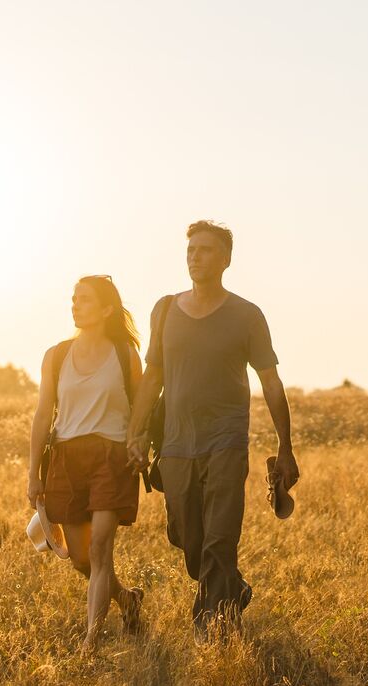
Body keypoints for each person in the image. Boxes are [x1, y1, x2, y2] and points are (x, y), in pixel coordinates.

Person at [129, 220, 299, 639]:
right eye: (190, 249)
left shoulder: (246, 315)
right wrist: (135, 433)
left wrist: (286, 444)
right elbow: (153, 376)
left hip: (226, 440)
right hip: (174, 444)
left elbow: (270, 382)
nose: (194, 256)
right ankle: (234, 588)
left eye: (205, 250)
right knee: (189, 543)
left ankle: (213, 630)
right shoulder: (165, 310)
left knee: (219, 540)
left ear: (225, 260)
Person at [27, 274, 146, 651]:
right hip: (66, 457)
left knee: (99, 552)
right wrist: (33, 474)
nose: (75, 305)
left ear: (107, 308)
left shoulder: (125, 354)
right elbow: (43, 414)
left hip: (112, 457)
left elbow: (143, 409)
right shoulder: (56, 355)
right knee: (79, 557)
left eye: (85, 299)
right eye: (74, 298)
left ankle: (90, 641)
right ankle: (127, 599)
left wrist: (140, 445)